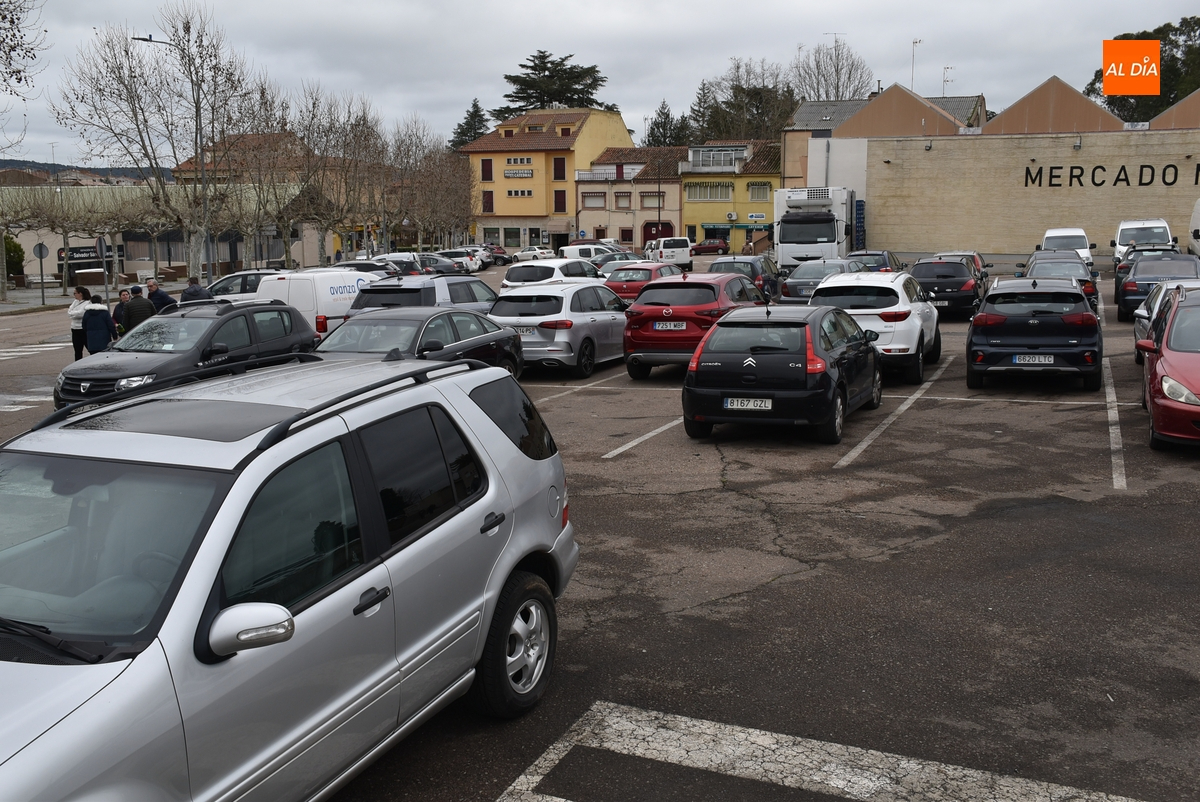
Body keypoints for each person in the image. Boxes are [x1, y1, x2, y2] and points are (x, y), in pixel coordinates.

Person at [67, 286, 91, 361]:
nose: (74, 295)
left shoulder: (88, 302)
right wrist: (73, 314)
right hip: (74, 328)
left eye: (75, 293)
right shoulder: (75, 302)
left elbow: (81, 313)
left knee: (89, 348)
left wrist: (73, 313)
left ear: (80, 293)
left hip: (82, 329)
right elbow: (69, 312)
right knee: (77, 350)